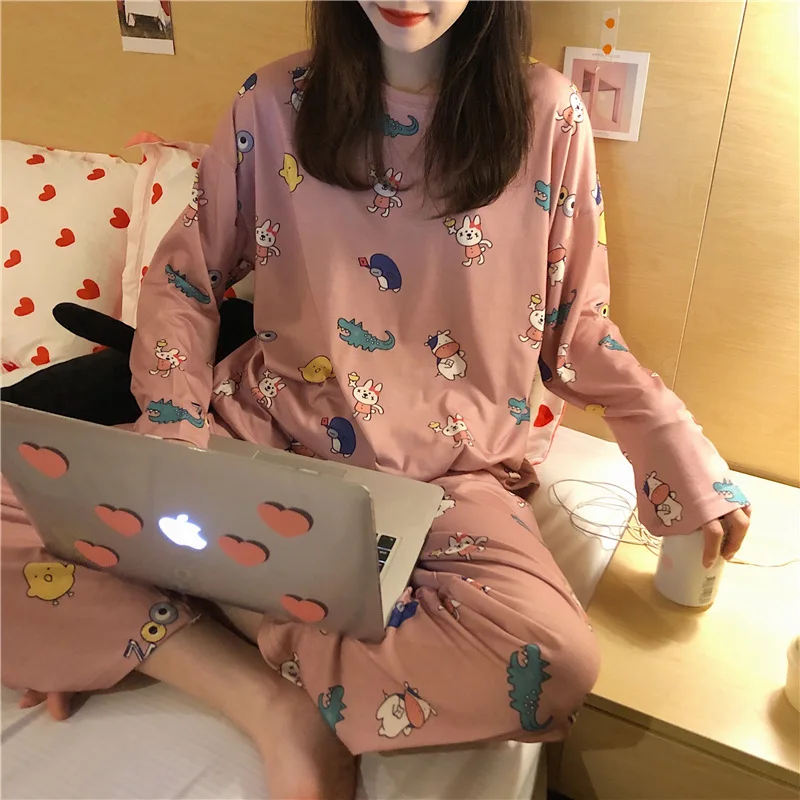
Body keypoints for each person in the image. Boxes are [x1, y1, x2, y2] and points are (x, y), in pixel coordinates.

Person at [1, 2, 751, 798]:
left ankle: (204, 601)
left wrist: (671, 439)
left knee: (547, 662)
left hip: (448, 480)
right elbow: (184, 280)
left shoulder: (548, 115)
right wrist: (173, 429)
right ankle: (269, 706)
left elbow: (576, 327)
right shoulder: (273, 102)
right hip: (257, 436)